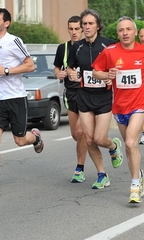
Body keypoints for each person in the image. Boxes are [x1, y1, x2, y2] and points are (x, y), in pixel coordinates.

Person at [0, 8, 44, 196]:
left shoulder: (14, 41)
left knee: (20, 140)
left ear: (7, 23)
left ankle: (35, 137)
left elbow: (30, 65)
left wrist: (6, 71)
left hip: (15, 98)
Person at [93, 16, 144, 203]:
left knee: (131, 143)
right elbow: (96, 71)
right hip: (119, 107)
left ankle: (134, 186)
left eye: (128, 29)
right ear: (118, 33)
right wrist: (107, 74)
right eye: (121, 30)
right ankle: (138, 173)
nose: (125, 33)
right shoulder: (110, 51)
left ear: (135, 32)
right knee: (130, 148)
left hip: (139, 104)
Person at [67, 9, 123, 189]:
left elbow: (120, 66)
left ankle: (113, 146)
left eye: (91, 23)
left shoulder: (109, 45)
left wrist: (109, 74)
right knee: (89, 139)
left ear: (98, 26)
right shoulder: (77, 46)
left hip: (103, 97)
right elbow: (70, 68)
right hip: (84, 97)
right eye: (85, 24)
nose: (87, 27)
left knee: (100, 138)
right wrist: (72, 74)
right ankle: (101, 174)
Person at [53, 15, 88, 183]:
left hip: (87, 93)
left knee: (81, 132)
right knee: (76, 135)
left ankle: (79, 168)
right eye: (71, 29)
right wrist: (59, 74)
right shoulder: (63, 48)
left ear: (82, 29)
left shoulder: (88, 47)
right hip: (71, 93)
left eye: (77, 29)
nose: (74, 32)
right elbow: (57, 68)